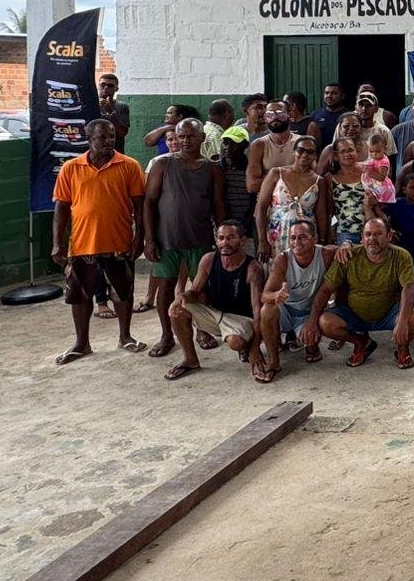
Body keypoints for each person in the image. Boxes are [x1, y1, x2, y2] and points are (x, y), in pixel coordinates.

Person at [51, 119, 146, 364]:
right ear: (89, 138)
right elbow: (61, 208)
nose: (108, 142)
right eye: (102, 137)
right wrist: (57, 243)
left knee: (123, 292)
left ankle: (125, 337)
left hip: (119, 242)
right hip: (82, 244)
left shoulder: (129, 165)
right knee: (79, 295)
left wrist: (140, 238)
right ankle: (81, 344)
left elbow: (140, 206)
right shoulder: (71, 168)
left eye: (111, 137)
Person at [143, 119, 226, 357]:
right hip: (166, 238)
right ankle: (167, 335)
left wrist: (221, 239)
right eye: (182, 137)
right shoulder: (162, 164)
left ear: (203, 138)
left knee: (200, 288)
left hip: (199, 238)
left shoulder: (212, 169)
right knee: (166, 287)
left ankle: (202, 329)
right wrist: (149, 239)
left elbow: (218, 206)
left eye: (191, 136)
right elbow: (148, 202)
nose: (186, 141)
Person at [303, 217, 414, 368]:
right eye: (368, 234)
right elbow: (326, 289)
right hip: (354, 314)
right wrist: (312, 320)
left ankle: (402, 348)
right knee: (324, 322)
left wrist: (403, 322)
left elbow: (409, 288)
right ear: (361, 238)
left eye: (378, 234)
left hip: (389, 313)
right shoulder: (348, 255)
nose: (372, 239)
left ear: (389, 236)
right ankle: (361, 343)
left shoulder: (402, 256)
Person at [164, 221, 266, 383]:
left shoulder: (253, 268)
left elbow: (257, 311)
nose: (225, 242)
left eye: (231, 238)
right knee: (177, 311)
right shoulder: (208, 259)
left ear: (242, 241)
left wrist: (255, 350)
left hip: (242, 318)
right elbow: (195, 292)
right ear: (216, 240)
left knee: (236, 342)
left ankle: (246, 347)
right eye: (221, 238)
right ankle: (190, 360)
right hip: (216, 315)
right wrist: (180, 298)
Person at [258, 219, 344, 370]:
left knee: (311, 346)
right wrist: (276, 295)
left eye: (303, 237)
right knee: (267, 310)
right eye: (292, 238)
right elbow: (265, 295)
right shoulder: (283, 259)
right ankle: (273, 361)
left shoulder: (325, 254)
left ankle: (309, 344)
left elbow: (347, 248)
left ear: (315, 238)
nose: (296, 241)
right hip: (287, 310)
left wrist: (347, 243)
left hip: (309, 311)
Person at [255, 134, 322, 259]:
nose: (305, 154)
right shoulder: (276, 173)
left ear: (315, 156)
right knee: (276, 271)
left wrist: (323, 241)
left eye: (310, 152)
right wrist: (262, 240)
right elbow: (261, 208)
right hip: (277, 234)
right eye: (301, 150)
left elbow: (321, 214)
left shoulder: (318, 181)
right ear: (294, 152)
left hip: (306, 237)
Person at [326, 135, 381, 244]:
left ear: (356, 151)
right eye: (343, 151)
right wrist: (330, 231)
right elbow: (329, 209)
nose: (347, 154)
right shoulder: (329, 178)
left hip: (371, 230)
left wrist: (377, 200)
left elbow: (386, 196)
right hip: (345, 232)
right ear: (336, 156)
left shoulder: (368, 171)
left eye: (351, 150)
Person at [354, 91, 397, 163]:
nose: (364, 109)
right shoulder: (348, 129)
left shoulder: (383, 131)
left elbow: (391, 158)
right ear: (356, 107)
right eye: (361, 105)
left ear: (376, 108)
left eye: (369, 105)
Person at [318, 111, 362, 177]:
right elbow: (318, 178)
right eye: (346, 126)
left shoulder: (368, 147)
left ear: (361, 128)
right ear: (339, 128)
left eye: (355, 126)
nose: (351, 129)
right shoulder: (330, 150)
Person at [96, 74, 130, 151]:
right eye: (103, 85)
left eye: (110, 86)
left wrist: (110, 111)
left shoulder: (121, 106)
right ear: (98, 86)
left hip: (114, 150)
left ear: (116, 88)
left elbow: (122, 133)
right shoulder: (89, 104)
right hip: (93, 151)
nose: (106, 88)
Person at [309, 82, 347, 147]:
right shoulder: (315, 114)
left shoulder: (348, 115)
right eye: (327, 93)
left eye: (334, 93)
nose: (329, 96)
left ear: (342, 96)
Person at [362, 132, 396, 204]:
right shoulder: (373, 158)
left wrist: (369, 172)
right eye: (371, 151)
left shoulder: (383, 162)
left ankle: (381, 214)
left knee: (377, 205)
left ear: (385, 149)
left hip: (381, 188)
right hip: (372, 184)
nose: (374, 154)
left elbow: (381, 177)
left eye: (377, 151)